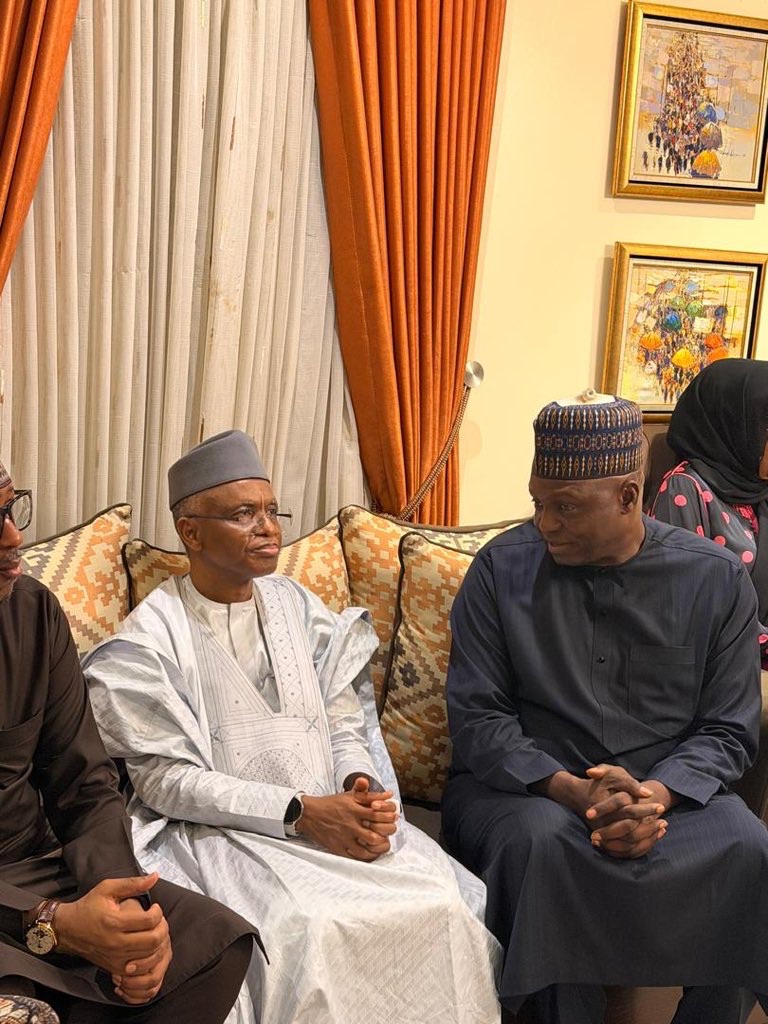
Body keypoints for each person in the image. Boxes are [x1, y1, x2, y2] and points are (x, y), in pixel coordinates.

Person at [83, 430, 501, 1024]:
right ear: (191, 532)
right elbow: (165, 783)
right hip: (223, 836)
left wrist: (357, 785)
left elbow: (343, 722)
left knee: (443, 903)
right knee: (306, 925)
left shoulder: (300, 607)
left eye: (271, 511)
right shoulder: (151, 639)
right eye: (243, 514)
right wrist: (301, 813)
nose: (268, 528)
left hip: (334, 816)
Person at [442, 390, 768, 1024]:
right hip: (531, 792)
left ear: (627, 496)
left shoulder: (715, 579)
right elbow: (479, 719)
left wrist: (656, 796)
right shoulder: (499, 571)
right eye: (538, 503)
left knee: (745, 846)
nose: (545, 523)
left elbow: (728, 728)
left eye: (565, 507)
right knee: (538, 846)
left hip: (669, 796)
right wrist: (571, 790)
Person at [0, 459, 261, 1023]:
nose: (13, 537)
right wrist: (49, 922)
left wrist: (123, 904)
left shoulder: (33, 612)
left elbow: (84, 781)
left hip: (36, 865)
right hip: (10, 906)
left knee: (211, 940)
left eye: (10, 509)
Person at [650, 358, 768, 661]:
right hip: (724, 659)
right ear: (737, 426)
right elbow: (689, 600)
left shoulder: (758, 486)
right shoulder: (685, 489)